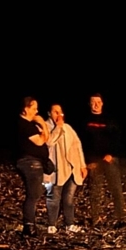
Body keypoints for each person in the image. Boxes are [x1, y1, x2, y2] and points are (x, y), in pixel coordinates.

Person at [84, 93, 126, 225]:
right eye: (93, 102)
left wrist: (111, 154)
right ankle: (95, 218)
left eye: (98, 102)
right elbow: (82, 142)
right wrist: (87, 161)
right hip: (94, 161)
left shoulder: (110, 120)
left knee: (116, 189)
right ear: (89, 104)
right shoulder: (85, 121)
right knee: (95, 191)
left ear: (102, 103)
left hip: (109, 159)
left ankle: (121, 218)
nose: (96, 105)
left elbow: (117, 139)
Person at [44, 104, 87, 233]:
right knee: (54, 197)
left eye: (60, 112)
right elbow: (49, 142)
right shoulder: (45, 126)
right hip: (55, 169)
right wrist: (58, 127)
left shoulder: (68, 128)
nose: (58, 115)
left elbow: (77, 145)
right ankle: (52, 224)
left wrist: (82, 165)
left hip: (72, 168)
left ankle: (69, 223)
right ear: (49, 113)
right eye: (55, 112)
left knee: (68, 198)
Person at [16, 97, 51, 233]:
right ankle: (29, 225)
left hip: (34, 162)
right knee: (33, 194)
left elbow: (45, 138)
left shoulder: (29, 125)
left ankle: (30, 223)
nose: (36, 111)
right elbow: (40, 141)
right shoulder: (24, 125)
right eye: (34, 108)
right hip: (30, 163)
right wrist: (42, 123)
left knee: (35, 193)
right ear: (26, 109)